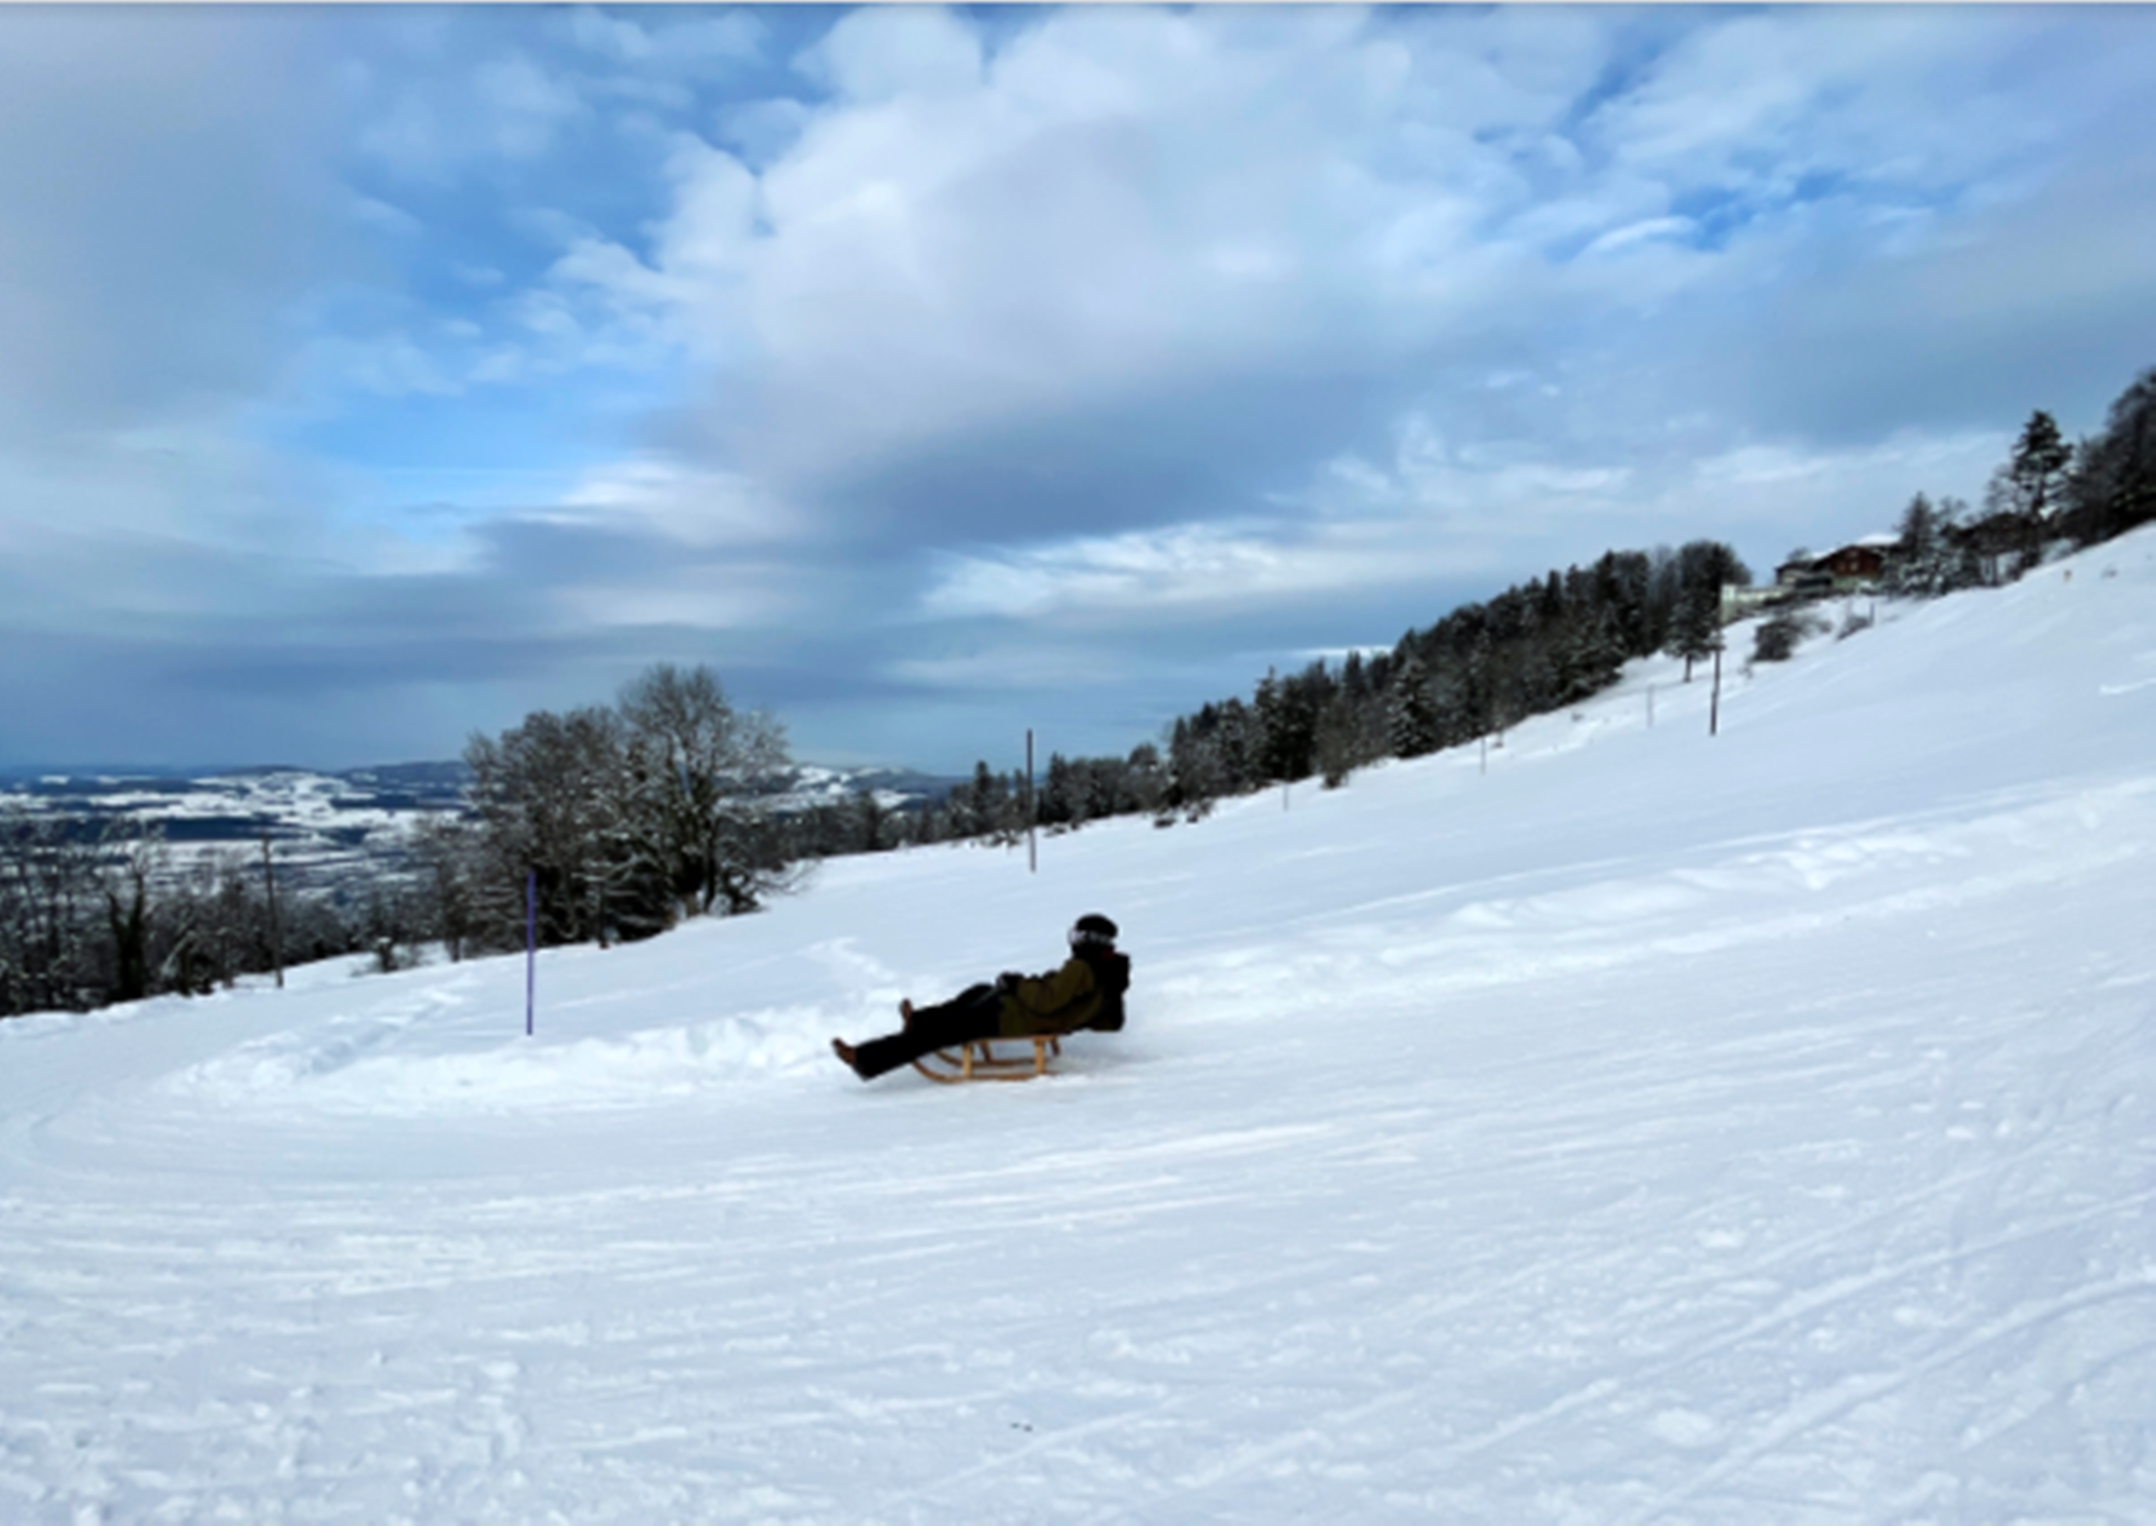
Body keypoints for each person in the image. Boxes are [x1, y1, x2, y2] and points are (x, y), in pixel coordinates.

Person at [832, 914, 1129, 1081]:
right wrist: (1073, 1018)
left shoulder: (1082, 968)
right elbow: (1111, 1022)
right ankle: (920, 1020)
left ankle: (864, 1058)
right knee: (977, 991)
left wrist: (1017, 984)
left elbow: (1046, 1001)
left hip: (1015, 1017)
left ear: (1084, 940)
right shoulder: (1109, 975)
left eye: (1075, 936)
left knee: (942, 1032)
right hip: (1021, 1012)